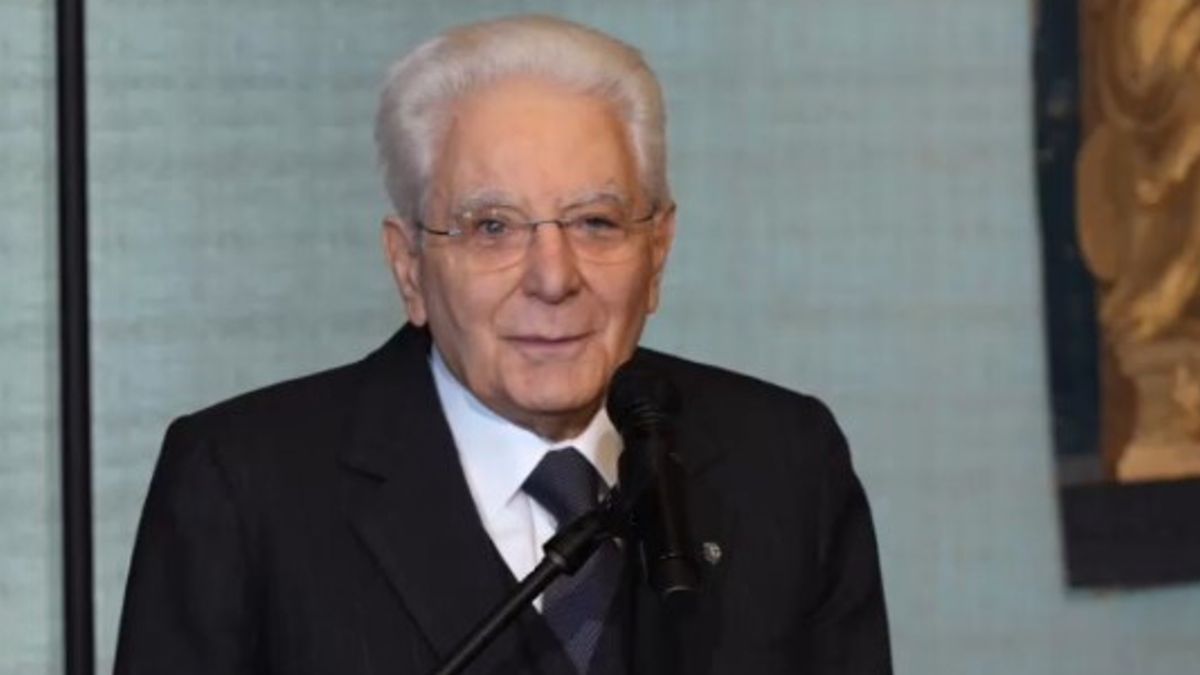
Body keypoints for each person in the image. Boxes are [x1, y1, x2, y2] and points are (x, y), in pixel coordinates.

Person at [114, 15, 891, 675]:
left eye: (596, 222)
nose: (553, 277)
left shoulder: (784, 462)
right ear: (409, 267)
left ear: (657, 252)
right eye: (492, 227)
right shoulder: (243, 486)